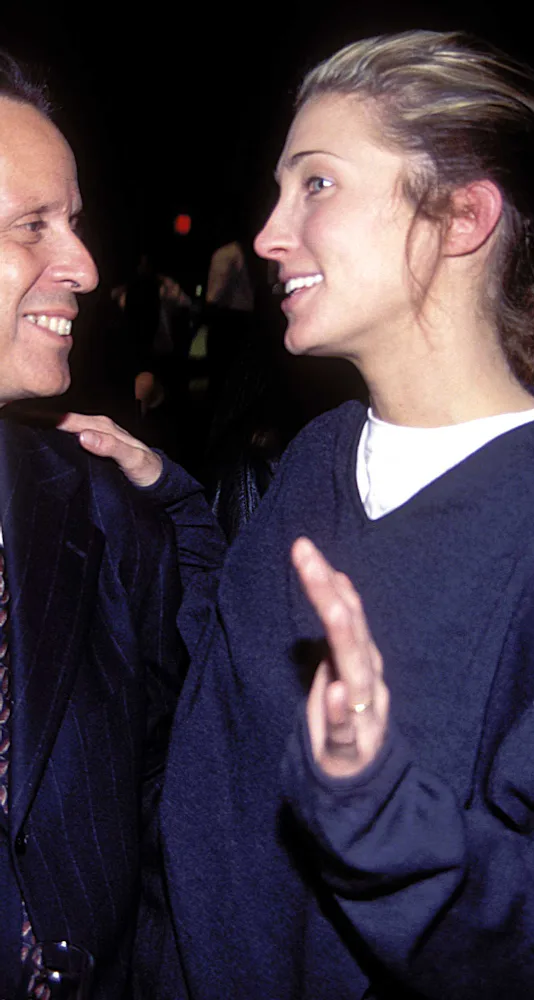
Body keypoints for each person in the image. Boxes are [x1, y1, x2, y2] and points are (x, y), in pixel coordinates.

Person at [68, 30, 534, 999]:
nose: (270, 234)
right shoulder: (323, 454)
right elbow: (234, 674)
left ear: (460, 217)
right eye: (280, 191)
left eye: (315, 184)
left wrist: (388, 820)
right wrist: (172, 502)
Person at [0, 53, 191, 999]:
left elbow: (167, 790)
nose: (83, 265)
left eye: (72, 222)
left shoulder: (110, 515)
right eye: (34, 225)